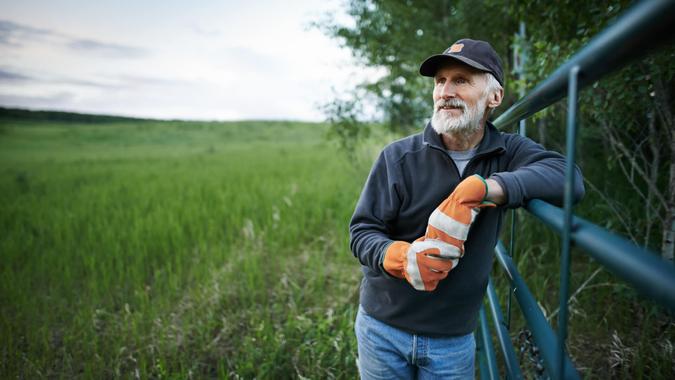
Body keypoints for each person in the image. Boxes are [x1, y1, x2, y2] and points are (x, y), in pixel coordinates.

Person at [349, 38, 585, 379]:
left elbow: (569, 179)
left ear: (495, 97)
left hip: (452, 339)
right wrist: (400, 258)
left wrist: (485, 189)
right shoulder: (398, 157)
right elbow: (361, 232)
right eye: (440, 81)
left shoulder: (508, 153)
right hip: (382, 329)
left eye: (461, 80)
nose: (446, 91)